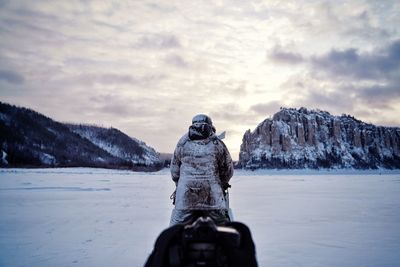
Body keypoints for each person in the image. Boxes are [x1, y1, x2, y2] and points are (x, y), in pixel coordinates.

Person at [169, 114, 234, 225]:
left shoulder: (182, 142)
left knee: (175, 231)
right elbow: (228, 169)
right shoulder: (217, 143)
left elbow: (174, 170)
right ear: (210, 126)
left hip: (186, 198)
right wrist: (221, 183)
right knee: (224, 229)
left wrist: (179, 184)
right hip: (213, 199)